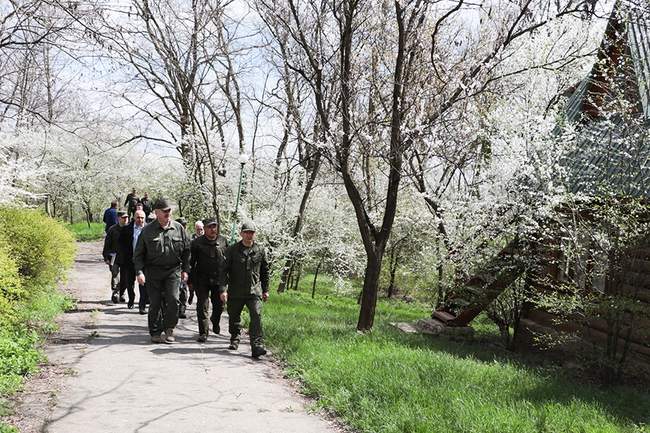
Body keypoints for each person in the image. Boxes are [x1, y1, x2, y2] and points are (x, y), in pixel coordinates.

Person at [134, 198, 190, 344]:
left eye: (169, 210)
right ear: (156, 212)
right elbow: (138, 255)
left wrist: (186, 269)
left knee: (173, 299)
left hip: (173, 270)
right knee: (155, 302)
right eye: (164, 211)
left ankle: (169, 328)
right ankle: (155, 331)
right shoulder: (147, 231)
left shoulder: (179, 228)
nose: (167, 213)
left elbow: (187, 251)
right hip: (153, 272)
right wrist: (139, 272)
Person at [218, 220, 270, 358]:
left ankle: (257, 346)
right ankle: (235, 337)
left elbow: (265, 271)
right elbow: (223, 271)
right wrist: (223, 289)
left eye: (251, 233)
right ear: (241, 233)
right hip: (236, 291)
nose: (249, 235)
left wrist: (266, 290)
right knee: (234, 316)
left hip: (254, 291)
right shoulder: (232, 250)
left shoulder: (260, 250)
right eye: (246, 232)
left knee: (256, 315)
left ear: (254, 234)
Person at [189, 217, 228, 342]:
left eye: (214, 226)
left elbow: (229, 261)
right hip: (202, 279)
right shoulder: (196, 243)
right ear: (204, 229)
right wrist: (190, 281)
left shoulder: (223, 241)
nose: (212, 229)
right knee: (202, 306)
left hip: (218, 280)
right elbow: (191, 262)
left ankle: (215, 321)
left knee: (219, 306)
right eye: (210, 227)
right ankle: (203, 332)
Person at [117, 209, 148, 311]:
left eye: (142, 218)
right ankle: (131, 300)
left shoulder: (149, 229)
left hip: (144, 261)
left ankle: (142, 305)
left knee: (143, 283)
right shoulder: (127, 229)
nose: (140, 220)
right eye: (138, 217)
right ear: (134, 218)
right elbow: (120, 244)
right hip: (130, 260)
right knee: (130, 283)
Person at [103, 210, 128, 303]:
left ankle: (122, 293)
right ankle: (115, 292)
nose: (126, 219)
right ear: (118, 218)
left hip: (126, 257)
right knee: (115, 274)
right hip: (114, 256)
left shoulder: (130, 229)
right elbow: (107, 244)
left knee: (125, 276)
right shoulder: (112, 230)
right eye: (123, 218)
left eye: (127, 217)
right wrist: (106, 257)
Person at [175, 217, 189, 319]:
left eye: (184, 226)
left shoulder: (187, 238)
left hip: (183, 267)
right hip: (173, 268)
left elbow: (189, 255)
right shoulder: (172, 236)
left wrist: (186, 270)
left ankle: (182, 309)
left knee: (183, 289)